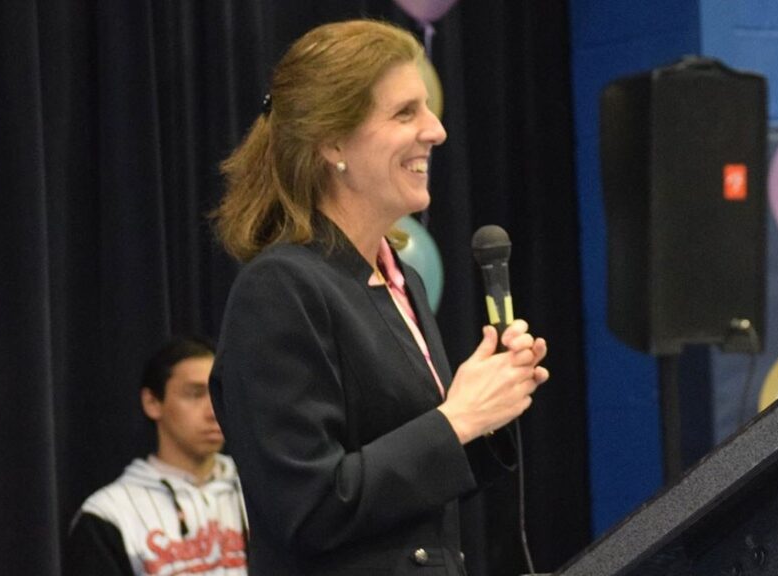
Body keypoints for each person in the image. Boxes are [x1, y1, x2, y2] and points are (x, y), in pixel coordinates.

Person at [209, 19, 549, 575]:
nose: (436, 130)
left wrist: (488, 410)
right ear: (333, 142)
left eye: (427, 109)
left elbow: (408, 492)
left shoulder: (401, 281)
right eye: (405, 113)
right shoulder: (280, 289)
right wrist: (457, 418)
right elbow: (306, 507)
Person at [65, 336, 248, 576]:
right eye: (195, 394)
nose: (213, 412)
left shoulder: (263, 490)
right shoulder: (109, 514)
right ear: (152, 402)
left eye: (218, 394)